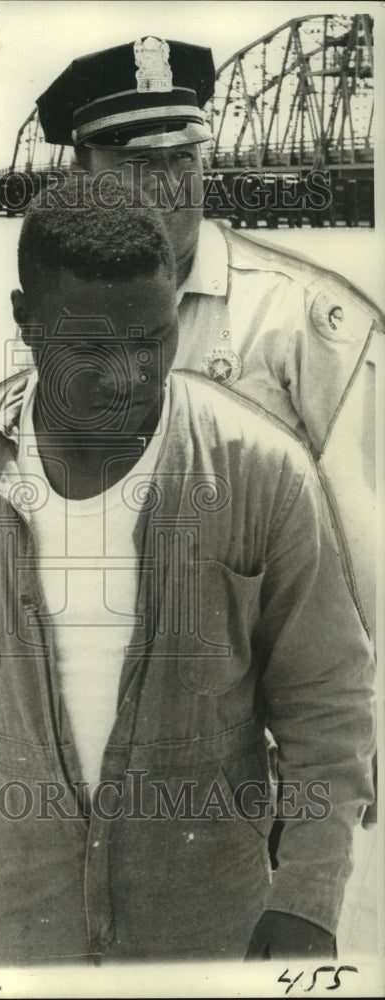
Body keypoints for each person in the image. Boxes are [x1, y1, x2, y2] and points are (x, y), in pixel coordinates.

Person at [0, 191, 376, 964]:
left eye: (153, 338)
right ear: (25, 320)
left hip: (209, 931)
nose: (129, 374)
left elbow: (327, 707)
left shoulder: (265, 472)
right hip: (16, 930)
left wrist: (307, 897)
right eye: (90, 346)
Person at [34, 36, 382, 642]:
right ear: (80, 174)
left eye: (183, 160)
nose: (170, 187)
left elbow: (368, 550)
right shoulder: (61, 316)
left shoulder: (305, 316)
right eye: (139, 165)